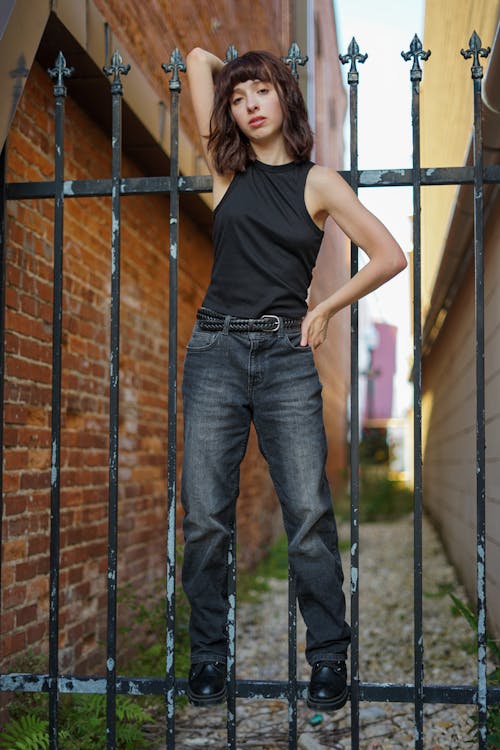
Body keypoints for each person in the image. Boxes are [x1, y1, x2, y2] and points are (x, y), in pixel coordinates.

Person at [182, 46, 407, 711]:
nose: (249, 105)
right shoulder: (227, 170)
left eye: (263, 92)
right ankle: (208, 658)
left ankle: (329, 660)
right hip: (215, 352)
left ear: (286, 99)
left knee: (307, 514)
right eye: (239, 97)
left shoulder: (319, 182)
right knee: (205, 519)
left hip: (285, 359)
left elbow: (390, 254)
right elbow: (197, 58)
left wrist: (328, 307)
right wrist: (241, 71)